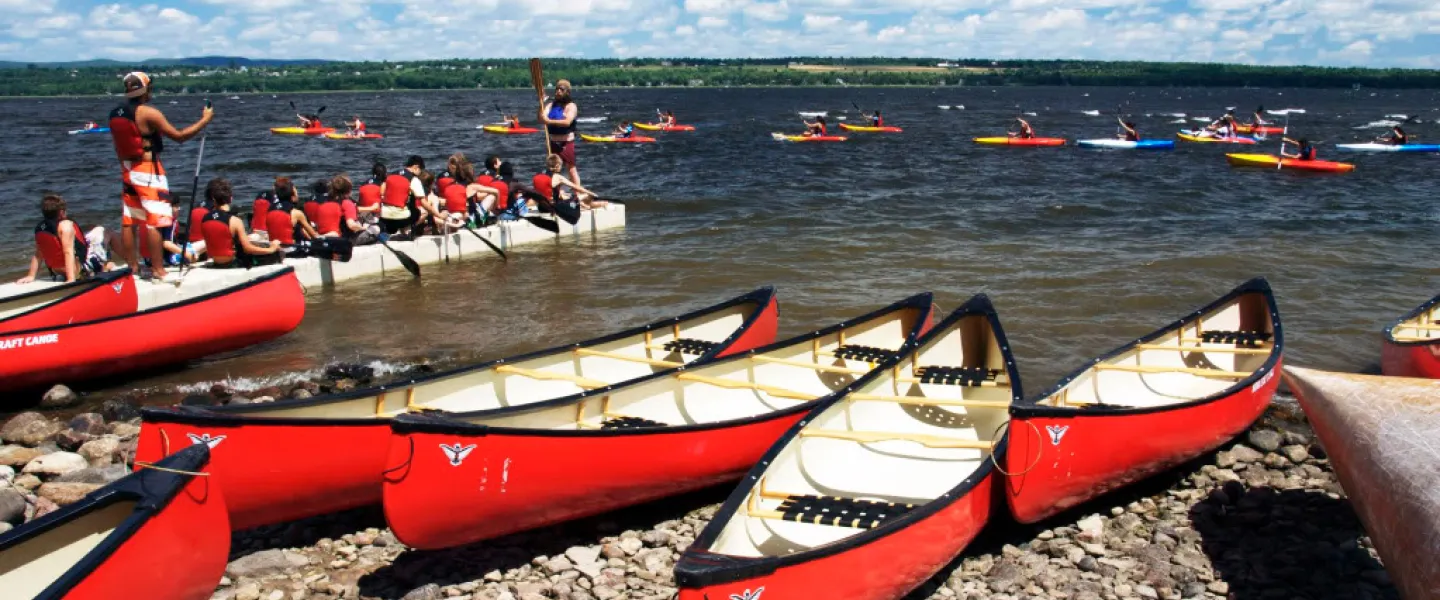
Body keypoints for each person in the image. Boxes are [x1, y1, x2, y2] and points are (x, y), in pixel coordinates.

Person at [108, 71, 213, 280]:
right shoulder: (148, 113)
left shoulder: (116, 113)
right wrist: (205, 120)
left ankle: (133, 267)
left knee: (130, 220)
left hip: (128, 169)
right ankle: (158, 270)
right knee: (156, 221)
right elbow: (180, 136)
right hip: (148, 171)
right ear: (146, 89)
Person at [199, 178, 282, 269]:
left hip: (216, 262)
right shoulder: (235, 221)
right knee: (278, 252)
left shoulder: (205, 218)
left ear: (212, 199)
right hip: (233, 263)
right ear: (230, 198)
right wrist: (271, 248)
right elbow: (248, 249)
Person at [17, 194, 90, 283]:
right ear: (61, 212)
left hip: (57, 271)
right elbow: (68, 252)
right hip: (77, 270)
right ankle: (110, 270)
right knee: (106, 232)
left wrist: (31, 276)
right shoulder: (65, 226)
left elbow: (38, 254)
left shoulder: (41, 228)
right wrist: (71, 279)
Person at [539, 79, 581, 186]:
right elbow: (541, 118)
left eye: (561, 89)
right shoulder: (550, 105)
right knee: (552, 169)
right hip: (552, 142)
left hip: (566, 143)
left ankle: (578, 193)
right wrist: (541, 103)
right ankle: (557, 193)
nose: (558, 91)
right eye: (557, 89)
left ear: (567, 92)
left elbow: (567, 122)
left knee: (571, 169)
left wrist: (548, 121)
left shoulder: (571, 106)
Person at [264, 177, 319, 248]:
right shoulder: (296, 213)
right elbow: (314, 235)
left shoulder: (270, 209)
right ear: (292, 194)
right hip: (291, 248)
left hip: (275, 246)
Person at [379, 155, 427, 235]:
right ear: (416, 167)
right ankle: (408, 229)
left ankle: (399, 230)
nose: (420, 173)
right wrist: (438, 214)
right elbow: (423, 202)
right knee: (423, 212)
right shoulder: (413, 179)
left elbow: (381, 192)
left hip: (384, 215)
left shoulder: (392, 174)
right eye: (420, 170)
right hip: (401, 218)